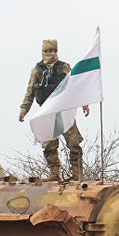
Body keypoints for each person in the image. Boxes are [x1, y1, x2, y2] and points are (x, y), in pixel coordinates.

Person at [19, 39, 89, 182]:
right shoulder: (37, 70)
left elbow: (75, 85)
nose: (51, 53)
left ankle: (77, 173)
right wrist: (24, 109)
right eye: (48, 51)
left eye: (54, 50)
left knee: (73, 142)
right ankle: (54, 172)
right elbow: (30, 91)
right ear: (43, 52)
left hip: (64, 108)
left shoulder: (64, 67)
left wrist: (84, 102)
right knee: (49, 144)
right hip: (47, 109)